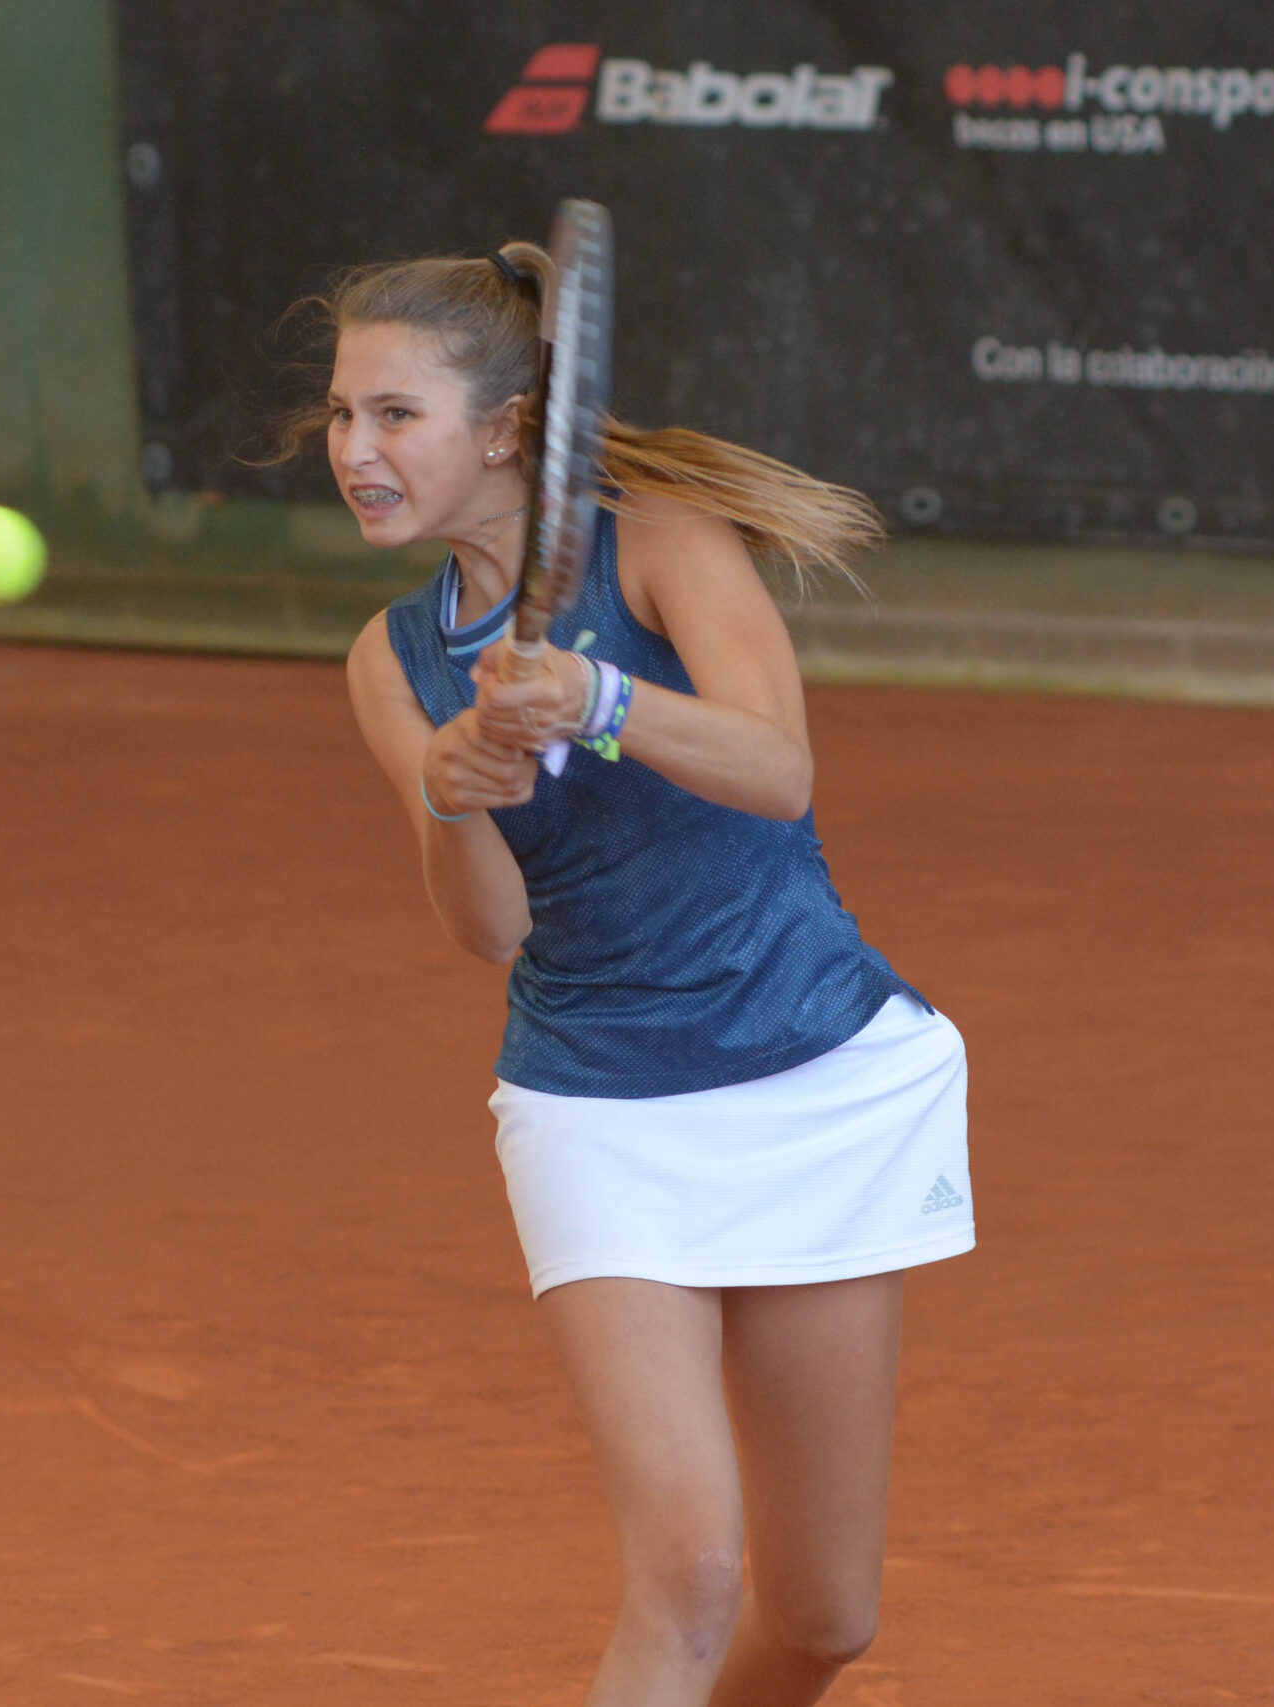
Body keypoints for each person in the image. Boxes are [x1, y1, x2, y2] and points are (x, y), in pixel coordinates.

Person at [287, 241, 975, 1707]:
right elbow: (490, 932)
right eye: (343, 415)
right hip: (598, 1106)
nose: (354, 449)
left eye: (393, 414)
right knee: (694, 1574)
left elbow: (777, 769)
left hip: (815, 1072)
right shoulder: (389, 661)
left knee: (823, 1619)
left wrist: (598, 697)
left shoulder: (656, 540)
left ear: (505, 430)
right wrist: (454, 791)